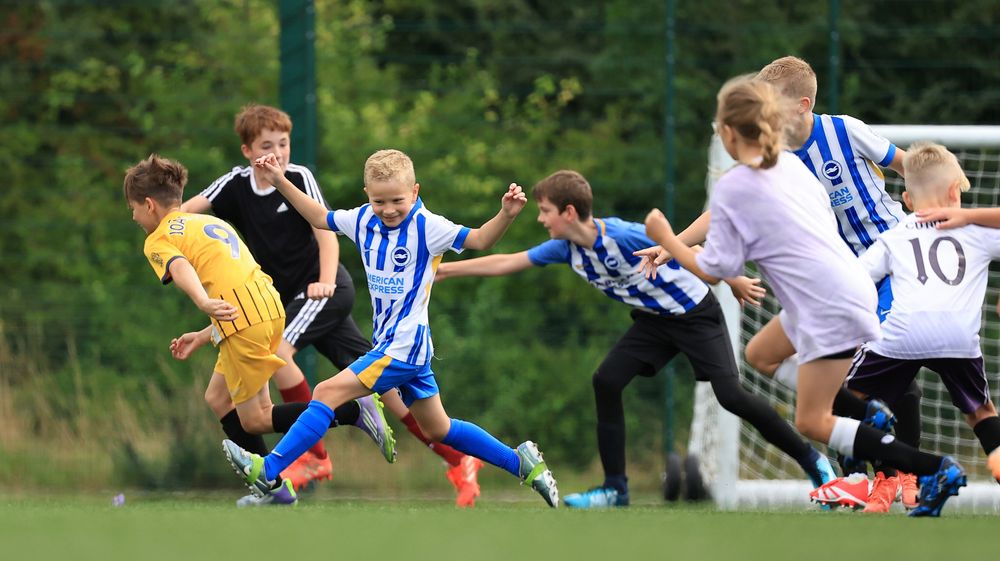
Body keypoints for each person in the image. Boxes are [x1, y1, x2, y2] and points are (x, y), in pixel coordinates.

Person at [644, 76, 965, 517]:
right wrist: (681, 245)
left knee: (822, 412)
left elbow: (717, 267)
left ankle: (917, 470)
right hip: (838, 281)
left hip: (837, 291)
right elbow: (731, 231)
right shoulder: (786, 164)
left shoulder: (759, 175)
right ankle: (867, 425)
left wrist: (667, 238)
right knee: (762, 353)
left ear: (731, 132)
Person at [435, 169, 837, 509]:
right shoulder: (565, 249)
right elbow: (509, 261)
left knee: (731, 396)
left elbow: (683, 248)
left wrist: (732, 279)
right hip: (653, 322)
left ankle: (813, 462)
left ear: (569, 212)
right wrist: (447, 272)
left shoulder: (624, 236)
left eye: (545, 212)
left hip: (694, 314)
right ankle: (615, 489)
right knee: (606, 381)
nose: (541, 220)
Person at [220, 149, 560, 507]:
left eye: (398, 199)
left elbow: (479, 240)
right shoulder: (363, 218)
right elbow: (320, 217)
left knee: (325, 392)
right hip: (397, 346)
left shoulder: (428, 226)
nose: (389, 208)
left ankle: (270, 469)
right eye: (380, 200)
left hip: (404, 346)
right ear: (367, 193)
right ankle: (521, 462)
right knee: (438, 428)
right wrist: (279, 181)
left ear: (414, 192)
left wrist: (505, 214)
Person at [181, 104, 483, 505]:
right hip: (283, 301)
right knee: (392, 392)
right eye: (266, 145)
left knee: (278, 351)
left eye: (283, 143)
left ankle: (313, 458)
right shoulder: (233, 186)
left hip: (324, 291)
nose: (277, 152)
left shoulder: (297, 176)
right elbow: (182, 215)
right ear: (246, 151)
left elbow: (325, 230)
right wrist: (164, 225)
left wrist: (324, 280)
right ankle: (458, 459)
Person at [124, 154, 394, 507]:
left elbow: (181, 268)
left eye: (132, 208)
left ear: (148, 205)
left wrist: (204, 302)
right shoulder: (206, 223)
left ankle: (351, 410)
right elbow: (233, 278)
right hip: (268, 305)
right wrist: (205, 333)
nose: (132, 216)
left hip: (243, 320)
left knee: (255, 419)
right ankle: (272, 488)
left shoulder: (158, 239)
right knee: (218, 398)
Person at [814, 142, 1000, 513]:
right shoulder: (979, 232)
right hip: (959, 338)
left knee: (840, 394)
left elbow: (854, 280)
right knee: (982, 414)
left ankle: (860, 477)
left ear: (908, 200)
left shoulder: (895, 235)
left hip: (902, 333)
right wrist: (972, 216)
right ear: (953, 193)